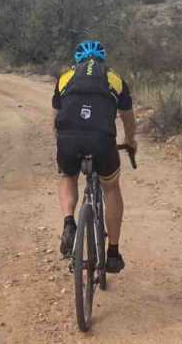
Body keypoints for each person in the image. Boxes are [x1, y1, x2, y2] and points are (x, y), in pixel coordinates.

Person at [52, 40, 137, 273]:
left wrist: (60, 143)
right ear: (102, 60)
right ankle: (113, 252)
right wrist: (130, 141)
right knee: (110, 187)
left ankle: (69, 221)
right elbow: (128, 119)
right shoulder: (115, 79)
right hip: (102, 141)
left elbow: (56, 118)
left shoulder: (64, 78)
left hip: (68, 139)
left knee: (68, 175)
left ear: (77, 61)